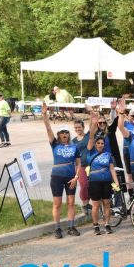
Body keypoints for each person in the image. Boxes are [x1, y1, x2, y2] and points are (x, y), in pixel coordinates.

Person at [42, 102, 81, 239]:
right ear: (58, 135)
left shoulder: (74, 147)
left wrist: (76, 177)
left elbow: (79, 164)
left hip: (71, 177)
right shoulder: (55, 145)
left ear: (68, 135)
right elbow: (48, 129)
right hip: (57, 177)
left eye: (66, 132)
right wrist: (45, 115)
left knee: (71, 202)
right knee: (57, 204)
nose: (64, 134)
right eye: (62, 133)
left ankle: (71, 226)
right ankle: (57, 228)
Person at [86, 111, 119, 235]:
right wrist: (93, 123)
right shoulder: (90, 151)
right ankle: (95, 226)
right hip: (94, 182)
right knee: (95, 205)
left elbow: (111, 169)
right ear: (95, 144)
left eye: (102, 143)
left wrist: (116, 183)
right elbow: (90, 136)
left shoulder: (107, 155)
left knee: (107, 204)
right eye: (98, 143)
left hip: (106, 181)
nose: (100, 145)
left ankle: (107, 224)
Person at [71, 119, 91, 217]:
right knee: (83, 185)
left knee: (91, 185)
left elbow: (93, 126)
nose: (78, 129)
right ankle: (84, 204)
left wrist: (92, 114)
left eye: (79, 127)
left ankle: (89, 203)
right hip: (80, 166)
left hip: (90, 165)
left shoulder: (88, 136)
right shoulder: (73, 141)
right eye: (76, 127)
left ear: (83, 127)